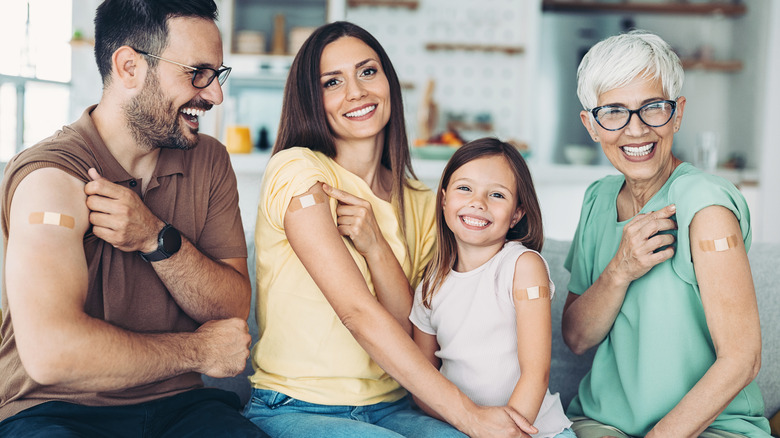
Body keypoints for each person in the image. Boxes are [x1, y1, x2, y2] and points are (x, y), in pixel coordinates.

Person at [245, 21, 536, 438]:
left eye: (367, 72)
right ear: (312, 99)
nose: (356, 93)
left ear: (388, 82)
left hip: (391, 407)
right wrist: (469, 415)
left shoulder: (420, 200)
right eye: (332, 82)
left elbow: (411, 336)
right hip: (295, 405)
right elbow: (357, 313)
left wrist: (377, 247)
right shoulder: (298, 170)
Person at [0, 1, 266, 437]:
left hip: (183, 408)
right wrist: (197, 351)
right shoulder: (50, 177)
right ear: (129, 67)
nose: (215, 94)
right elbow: (52, 354)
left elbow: (233, 310)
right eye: (197, 73)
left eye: (217, 74)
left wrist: (155, 238)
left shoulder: (210, 161)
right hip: (53, 410)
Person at [561, 30, 771, 437]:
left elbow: (742, 358)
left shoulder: (707, 208)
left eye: (653, 108)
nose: (636, 130)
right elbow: (577, 338)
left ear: (677, 113)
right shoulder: (598, 199)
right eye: (614, 111)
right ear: (591, 125)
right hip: (604, 422)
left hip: (714, 427)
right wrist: (619, 270)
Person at [410, 138, 576, 438]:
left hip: (535, 430)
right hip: (462, 428)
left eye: (497, 194)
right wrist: (467, 422)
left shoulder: (524, 267)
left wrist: (504, 433)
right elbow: (423, 384)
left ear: (517, 214)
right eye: (465, 188)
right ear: (444, 199)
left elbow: (535, 374)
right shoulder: (429, 285)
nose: (478, 202)